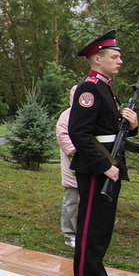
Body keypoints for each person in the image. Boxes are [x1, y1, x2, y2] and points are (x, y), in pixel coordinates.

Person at [68, 30, 138, 276]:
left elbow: (108, 131)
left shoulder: (104, 86)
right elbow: (79, 132)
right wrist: (102, 166)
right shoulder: (90, 88)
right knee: (91, 227)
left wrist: (132, 126)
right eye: (114, 56)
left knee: (102, 226)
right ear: (97, 59)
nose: (120, 61)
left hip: (110, 165)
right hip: (98, 168)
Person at [55, 87, 79, 247]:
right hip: (74, 165)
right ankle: (70, 234)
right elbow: (62, 136)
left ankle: (86, 231)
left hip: (94, 165)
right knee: (72, 199)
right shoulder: (67, 116)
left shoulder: (93, 114)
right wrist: (77, 153)